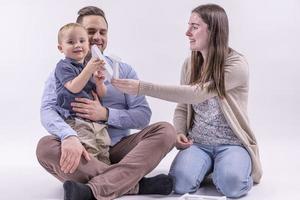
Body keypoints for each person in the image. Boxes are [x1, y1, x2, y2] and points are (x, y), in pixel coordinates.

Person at [112, 4, 262, 198]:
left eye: (195, 26)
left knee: (232, 186)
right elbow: (183, 106)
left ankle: (230, 167)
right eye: (188, 25)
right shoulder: (190, 65)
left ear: (213, 30)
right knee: (180, 185)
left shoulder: (237, 65)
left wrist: (142, 87)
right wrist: (180, 131)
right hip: (197, 143)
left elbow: (197, 93)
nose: (187, 32)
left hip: (232, 144)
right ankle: (213, 167)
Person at [36, 6, 176, 200]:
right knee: (45, 147)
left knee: (166, 131)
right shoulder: (63, 71)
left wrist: (105, 114)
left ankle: (94, 188)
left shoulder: (124, 70)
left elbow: (143, 116)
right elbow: (47, 110)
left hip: (120, 148)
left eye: (102, 32)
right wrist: (68, 136)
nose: (97, 37)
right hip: (84, 148)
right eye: (91, 31)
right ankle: (134, 184)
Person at [55, 22, 110, 165]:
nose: (77, 45)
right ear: (61, 48)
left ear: (88, 44)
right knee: (90, 152)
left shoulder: (88, 66)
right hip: (77, 120)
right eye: (71, 42)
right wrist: (89, 70)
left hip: (97, 122)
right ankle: (95, 181)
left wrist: (99, 82)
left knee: (104, 151)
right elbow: (74, 87)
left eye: (82, 41)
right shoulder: (63, 66)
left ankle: (107, 178)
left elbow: (102, 95)